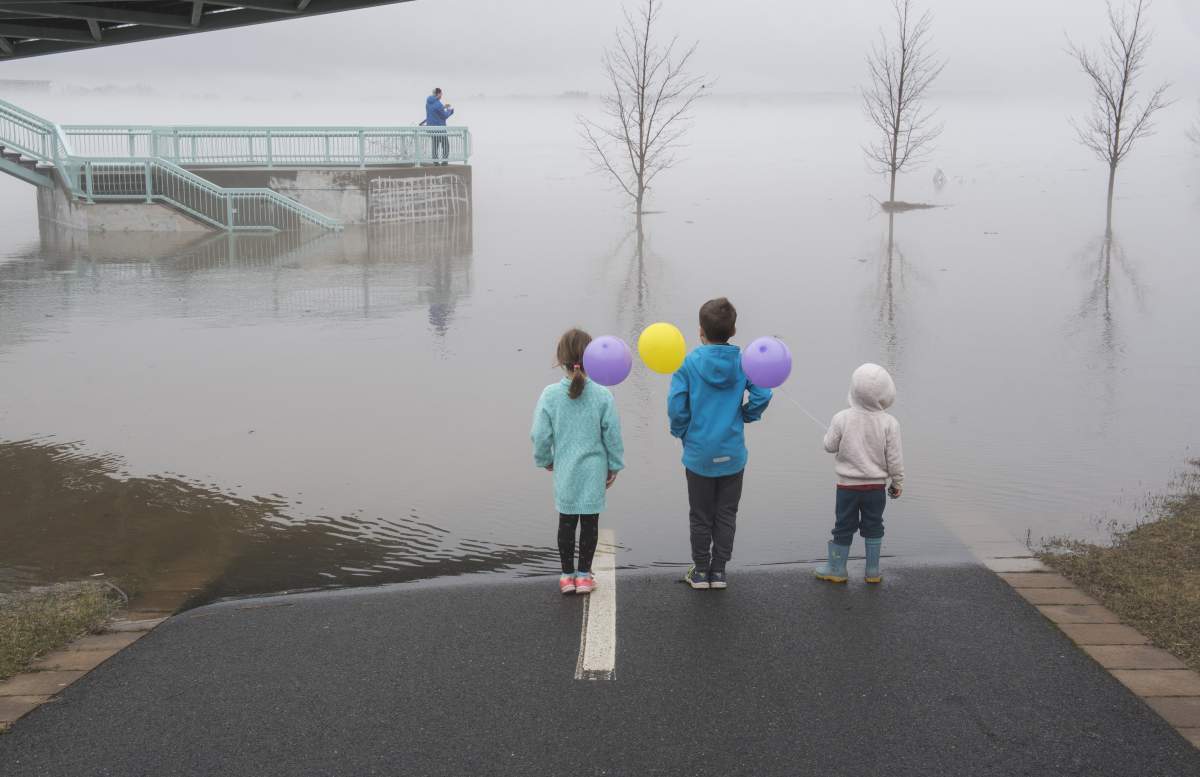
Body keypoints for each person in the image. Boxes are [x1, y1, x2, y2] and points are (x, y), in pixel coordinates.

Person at [668, 298, 771, 590]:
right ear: (734, 330)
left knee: (701, 515)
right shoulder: (744, 362)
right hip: (732, 453)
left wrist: (682, 432)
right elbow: (764, 394)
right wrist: (745, 415)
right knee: (726, 514)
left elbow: (677, 406)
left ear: (700, 331)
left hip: (699, 454)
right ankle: (719, 571)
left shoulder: (687, 363)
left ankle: (701, 572)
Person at [531, 329, 625, 595]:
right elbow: (613, 434)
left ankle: (566, 576)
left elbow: (539, 434)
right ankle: (584, 575)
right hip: (594, 470)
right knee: (590, 523)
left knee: (567, 522)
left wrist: (545, 459)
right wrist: (614, 465)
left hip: (566, 470)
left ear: (560, 359)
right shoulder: (602, 395)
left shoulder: (550, 395)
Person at [813, 363, 905, 584]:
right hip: (876, 489)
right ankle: (872, 571)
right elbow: (894, 458)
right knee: (874, 524)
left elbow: (829, 446)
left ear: (853, 390)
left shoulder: (841, 418)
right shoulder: (889, 423)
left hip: (847, 488)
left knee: (843, 525)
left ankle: (837, 569)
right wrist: (898, 481)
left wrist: (829, 435)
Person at [424, 87, 455, 165]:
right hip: (440, 128)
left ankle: (435, 162)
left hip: (431, 128)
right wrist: (450, 111)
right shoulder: (438, 104)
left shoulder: (428, 103)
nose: (441, 96)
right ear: (438, 94)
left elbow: (434, 111)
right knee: (445, 145)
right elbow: (444, 115)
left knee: (435, 145)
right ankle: (444, 161)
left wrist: (443, 107)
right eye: (441, 94)